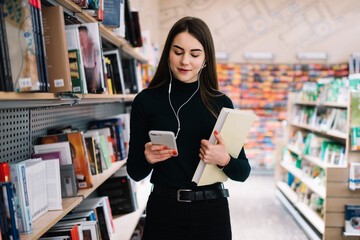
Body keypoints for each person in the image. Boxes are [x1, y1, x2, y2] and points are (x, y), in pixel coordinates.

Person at [127, 16, 251, 240]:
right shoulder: (146, 101)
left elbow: (243, 172)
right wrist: (146, 157)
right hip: (164, 210)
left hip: (212, 212)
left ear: (205, 59)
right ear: (168, 53)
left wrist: (224, 159)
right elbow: (135, 172)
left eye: (194, 54)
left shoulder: (221, 104)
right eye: (178, 52)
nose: (185, 61)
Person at [78, 26, 102, 93]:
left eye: (83, 35)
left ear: (86, 35)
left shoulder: (94, 46)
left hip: (93, 72)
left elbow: (98, 64)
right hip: (83, 72)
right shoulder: (79, 47)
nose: (81, 37)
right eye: (80, 35)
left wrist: (95, 80)